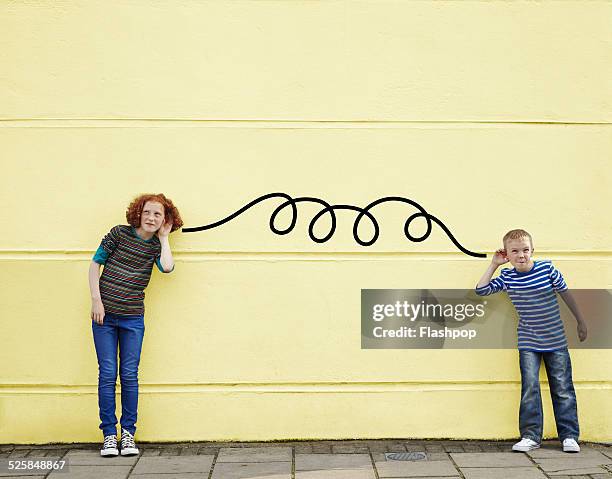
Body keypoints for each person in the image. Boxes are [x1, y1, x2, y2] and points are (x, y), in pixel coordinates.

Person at [475, 229, 587, 453]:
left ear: (532, 250)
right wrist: (494, 264)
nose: (521, 255)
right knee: (530, 388)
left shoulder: (547, 269)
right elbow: (481, 290)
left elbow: (566, 295)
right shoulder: (507, 276)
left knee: (563, 388)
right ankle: (530, 436)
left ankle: (569, 436)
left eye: (525, 250)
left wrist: (580, 321)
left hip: (556, 340)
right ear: (507, 254)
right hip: (528, 343)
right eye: (514, 251)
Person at [88, 193, 183, 457]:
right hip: (104, 317)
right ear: (138, 214)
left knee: (129, 374)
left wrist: (164, 238)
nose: (152, 218)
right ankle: (109, 434)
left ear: (165, 219)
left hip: (133, 319)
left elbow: (167, 268)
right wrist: (96, 300)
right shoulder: (119, 234)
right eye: (147, 212)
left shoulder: (155, 246)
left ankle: (128, 434)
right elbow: (95, 264)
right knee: (107, 373)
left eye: (158, 214)